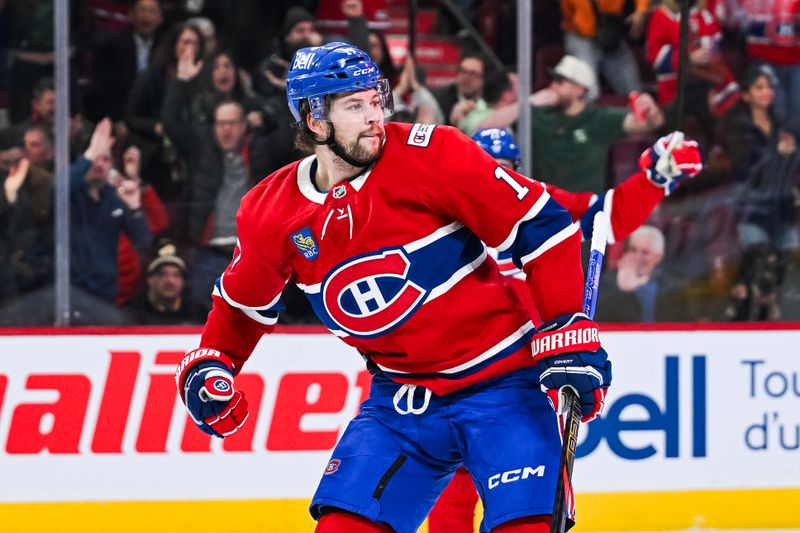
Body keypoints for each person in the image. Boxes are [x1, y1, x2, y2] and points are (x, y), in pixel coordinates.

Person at [170, 41, 692, 533]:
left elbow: (545, 225)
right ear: (314, 119)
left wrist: (565, 326)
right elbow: (241, 305)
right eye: (355, 106)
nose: (375, 116)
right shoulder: (270, 211)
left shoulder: (434, 153)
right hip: (400, 405)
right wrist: (215, 361)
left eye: (376, 99)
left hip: (504, 387)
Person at [427, 127, 702, 532]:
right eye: (487, 165)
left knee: (522, 502)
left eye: (505, 167)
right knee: (451, 499)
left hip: (522, 381)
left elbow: (606, 217)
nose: (496, 174)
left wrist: (653, 179)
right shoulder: (438, 213)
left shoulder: (534, 202)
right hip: (455, 375)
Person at [479, 55, 665, 193]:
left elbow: (650, 124)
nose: (553, 86)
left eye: (560, 81)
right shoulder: (540, 114)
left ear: (579, 89)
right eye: (553, 80)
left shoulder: (600, 118)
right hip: (544, 208)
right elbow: (485, 126)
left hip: (585, 211)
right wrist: (529, 102)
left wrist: (650, 110)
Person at [721, 65, 800, 320]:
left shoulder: (781, 124)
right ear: (746, 94)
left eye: (769, 87)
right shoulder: (736, 126)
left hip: (782, 205)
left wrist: (790, 152)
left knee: (778, 269)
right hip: (751, 207)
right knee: (759, 262)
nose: (767, 92)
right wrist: (775, 153)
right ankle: (741, 316)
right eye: (759, 87)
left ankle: (763, 316)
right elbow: (743, 165)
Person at [126, 239, 200, 324]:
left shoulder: (196, 313)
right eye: (162, 275)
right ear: (149, 280)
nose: (169, 281)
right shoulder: (134, 313)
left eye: (176, 275)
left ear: (183, 282)